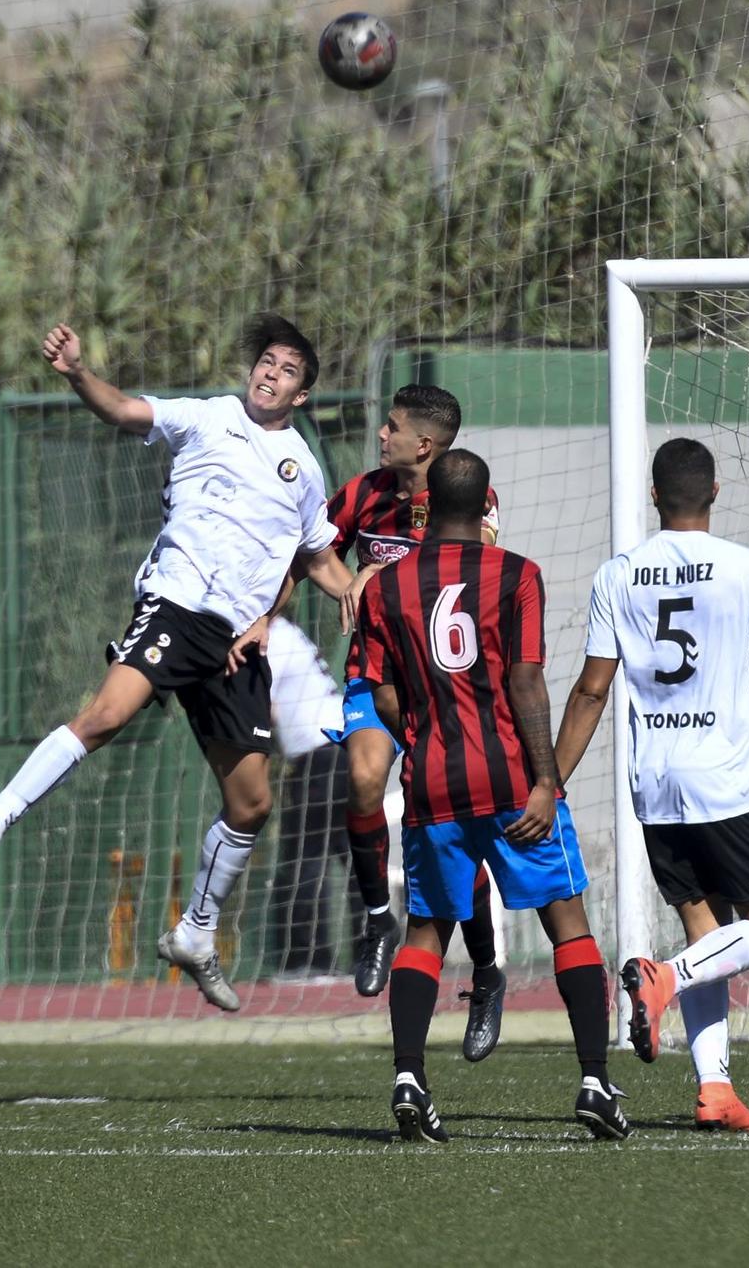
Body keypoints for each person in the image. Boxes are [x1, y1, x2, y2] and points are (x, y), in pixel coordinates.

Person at [0, 316, 358, 1014]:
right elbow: (126, 408)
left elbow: (318, 560)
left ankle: (196, 933)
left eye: (287, 370)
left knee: (252, 803)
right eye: (266, 361)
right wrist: (77, 373)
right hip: (175, 607)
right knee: (105, 715)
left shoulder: (305, 471)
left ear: (303, 395)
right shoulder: (207, 418)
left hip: (235, 647)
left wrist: (370, 588)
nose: (269, 372)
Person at [555, 438, 749, 1132]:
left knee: (707, 930)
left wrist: (551, 779)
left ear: (653, 495)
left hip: (656, 782)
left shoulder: (619, 574)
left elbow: (591, 690)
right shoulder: (746, 569)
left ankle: (715, 1089)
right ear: (717, 493)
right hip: (724, 781)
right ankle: (660, 979)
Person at [355, 448, 625, 1144]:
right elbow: (528, 683)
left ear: (424, 508)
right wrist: (545, 780)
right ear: (486, 511)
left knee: (424, 934)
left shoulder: (382, 588)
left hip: (432, 783)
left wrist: (418, 736)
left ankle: (410, 1075)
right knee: (568, 923)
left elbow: (381, 690)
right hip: (512, 783)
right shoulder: (518, 575)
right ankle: (595, 1079)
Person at [318, 384, 505, 1057]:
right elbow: (309, 548)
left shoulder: (466, 495)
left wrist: (378, 575)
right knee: (364, 778)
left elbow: (472, 568)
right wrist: (344, 582)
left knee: (454, 836)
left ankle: (486, 972)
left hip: (442, 689)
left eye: (391, 428)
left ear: (424, 444)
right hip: (374, 677)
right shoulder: (363, 491)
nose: (381, 436)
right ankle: (375, 918)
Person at [263, 616, 348, 978]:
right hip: (341, 750)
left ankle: (308, 962)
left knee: (303, 861)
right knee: (352, 858)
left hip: (321, 756)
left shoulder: (271, 638)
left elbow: (263, 706)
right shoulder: (287, 632)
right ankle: (365, 957)